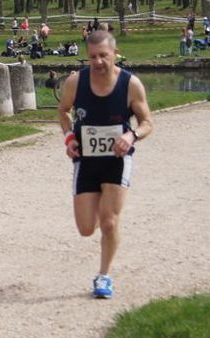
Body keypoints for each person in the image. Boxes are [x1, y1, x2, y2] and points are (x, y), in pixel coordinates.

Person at [58, 30, 153, 299]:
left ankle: (104, 276)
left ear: (115, 53)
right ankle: (100, 209)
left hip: (116, 160)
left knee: (109, 222)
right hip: (86, 160)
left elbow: (148, 123)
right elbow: (63, 111)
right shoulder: (76, 82)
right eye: (92, 57)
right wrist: (68, 137)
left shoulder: (131, 84)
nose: (98, 62)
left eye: (103, 56)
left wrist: (130, 135)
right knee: (86, 228)